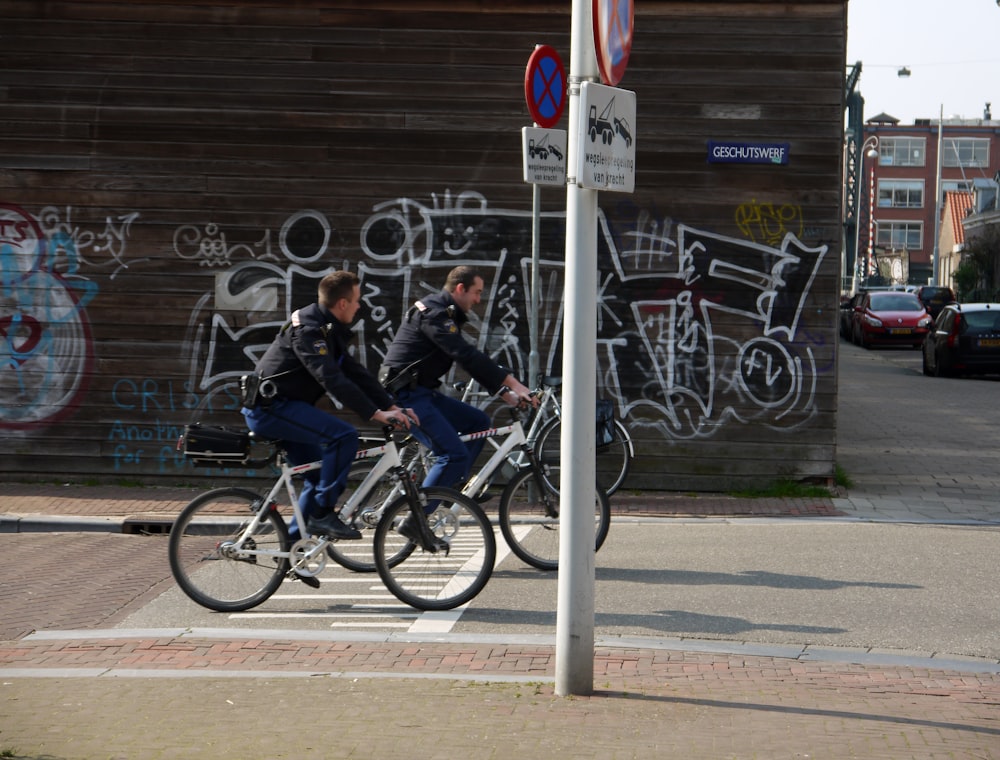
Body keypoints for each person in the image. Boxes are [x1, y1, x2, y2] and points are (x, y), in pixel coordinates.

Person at [242, 270, 415, 583]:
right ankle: (323, 514)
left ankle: (292, 554)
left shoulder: (327, 328)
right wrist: (375, 414)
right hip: (270, 410)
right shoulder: (308, 330)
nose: (360, 307)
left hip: (286, 409)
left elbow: (355, 373)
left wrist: (391, 405)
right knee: (344, 436)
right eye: (358, 302)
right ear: (344, 303)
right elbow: (330, 378)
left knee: (317, 475)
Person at [379, 265, 537, 495]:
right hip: (405, 395)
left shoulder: (445, 314)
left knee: (478, 422)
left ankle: (452, 488)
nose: (478, 299)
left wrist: (505, 393)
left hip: (423, 392)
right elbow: (465, 354)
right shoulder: (433, 313)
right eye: (477, 292)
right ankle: (419, 518)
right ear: (461, 288)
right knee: (452, 454)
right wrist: (515, 384)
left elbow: (467, 360)